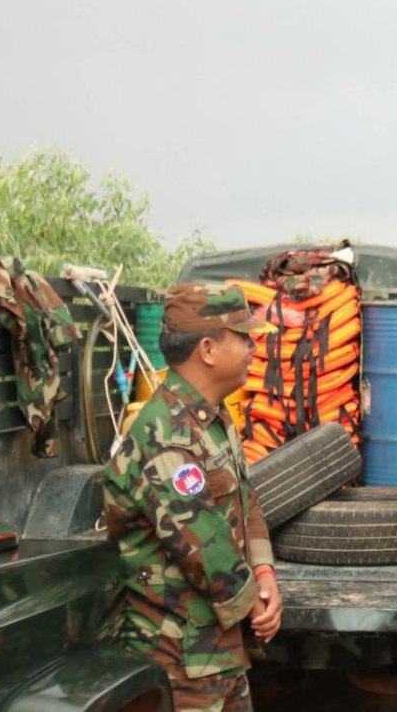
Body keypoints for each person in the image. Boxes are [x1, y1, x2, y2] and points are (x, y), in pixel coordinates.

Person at [104, 283, 283, 712]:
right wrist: (257, 603)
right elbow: (203, 545)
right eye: (243, 337)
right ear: (207, 349)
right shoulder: (164, 434)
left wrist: (264, 571)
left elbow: (245, 499)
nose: (252, 348)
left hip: (217, 652)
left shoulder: (213, 419)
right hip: (177, 659)